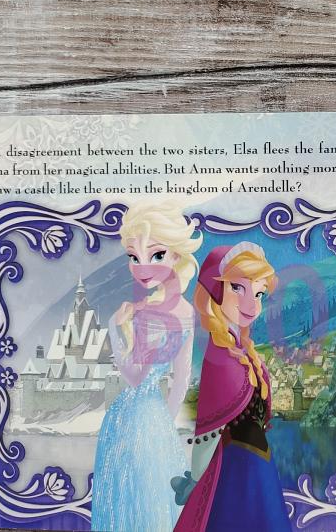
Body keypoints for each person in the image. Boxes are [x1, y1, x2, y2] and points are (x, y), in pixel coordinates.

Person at [91, 202, 202, 532]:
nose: (142, 268)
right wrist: (163, 426)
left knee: (129, 500)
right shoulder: (185, 311)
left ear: (176, 256)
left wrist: (114, 328)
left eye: (156, 255)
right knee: (152, 499)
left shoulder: (147, 313)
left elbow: (134, 376)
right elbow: (181, 381)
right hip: (155, 416)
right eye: (133, 257)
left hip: (132, 415)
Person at [172, 242, 288, 532]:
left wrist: (196, 478)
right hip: (237, 469)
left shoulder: (240, 349)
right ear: (215, 291)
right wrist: (197, 477)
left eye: (258, 293)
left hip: (256, 466)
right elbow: (209, 428)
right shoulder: (221, 356)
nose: (252, 303)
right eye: (238, 288)